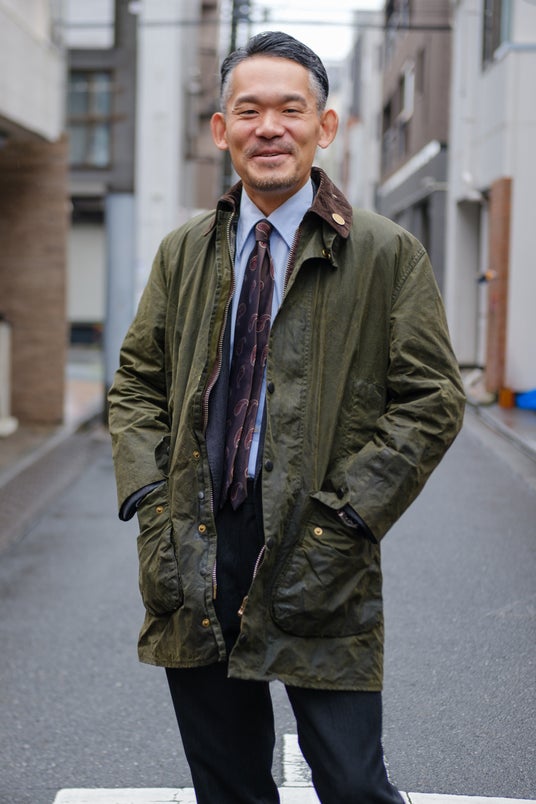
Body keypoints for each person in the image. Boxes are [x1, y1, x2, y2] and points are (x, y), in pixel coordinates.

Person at [108, 30, 465, 804]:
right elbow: (137, 379)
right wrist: (152, 496)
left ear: (324, 125)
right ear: (222, 129)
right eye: (248, 110)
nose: (268, 127)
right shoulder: (184, 252)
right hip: (197, 542)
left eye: (290, 109)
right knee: (229, 785)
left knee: (353, 783)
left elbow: (433, 396)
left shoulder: (385, 253)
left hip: (320, 539)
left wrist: (351, 515)